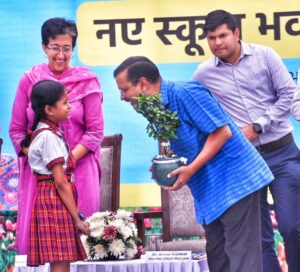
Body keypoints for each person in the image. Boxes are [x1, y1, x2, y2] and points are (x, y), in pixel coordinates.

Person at [114, 56, 274, 272]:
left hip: (237, 181)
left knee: (243, 260)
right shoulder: (154, 108)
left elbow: (222, 132)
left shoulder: (186, 93)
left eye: (124, 90)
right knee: (218, 258)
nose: (122, 97)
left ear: (143, 83)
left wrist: (190, 169)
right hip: (210, 189)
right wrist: (168, 166)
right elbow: (185, 144)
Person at [192, 10, 300, 272]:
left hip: (282, 152)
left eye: (222, 36)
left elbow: (288, 95)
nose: (217, 42)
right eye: (211, 38)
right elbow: (193, 109)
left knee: (292, 226)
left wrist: (259, 125)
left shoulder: (265, 56)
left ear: (236, 33)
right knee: (259, 238)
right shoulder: (203, 74)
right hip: (244, 162)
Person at [9, 17, 103, 254]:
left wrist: (65, 162)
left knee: (84, 241)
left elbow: (95, 133)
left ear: (73, 48)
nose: (60, 55)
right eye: (54, 48)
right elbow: (17, 131)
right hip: (41, 176)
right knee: (46, 244)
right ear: (44, 47)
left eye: (67, 48)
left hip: (79, 170)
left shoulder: (87, 81)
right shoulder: (29, 80)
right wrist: (42, 161)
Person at [23, 80, 89, 271]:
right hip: (54, 200)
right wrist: (76, 218)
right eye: (65, 102)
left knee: (61, 261)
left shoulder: (47, 133)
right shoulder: (48, 137)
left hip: (50, 198)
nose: (70, 106)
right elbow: (60, 182)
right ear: (49, 109)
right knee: (60, 262)